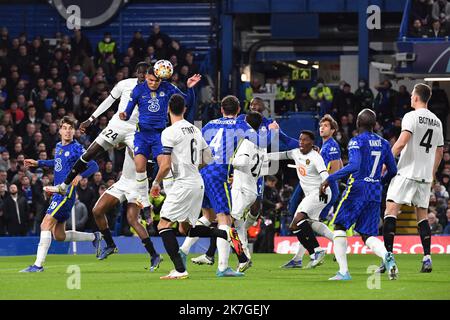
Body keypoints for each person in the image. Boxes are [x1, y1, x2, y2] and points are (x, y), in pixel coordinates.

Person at [150, 94, 243, 279]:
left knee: (163, 225)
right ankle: (224, 235)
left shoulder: (169, 132)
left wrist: (155, 182)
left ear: (168, 109)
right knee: (185, 228)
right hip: (197, 183)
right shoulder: (195, 129)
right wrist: (192, 167)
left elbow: (166, 165)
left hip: (183, 184)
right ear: (185, 109)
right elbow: (207, 159)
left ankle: (179, 270)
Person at [178, 95, 271, 277]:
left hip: (200, 172)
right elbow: (262, 142)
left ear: (221, 109)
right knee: (225, 220)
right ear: (238, 111)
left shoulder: (209, 124)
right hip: (218, 174)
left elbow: (195, 146)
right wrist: (272, 131)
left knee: (208, 215)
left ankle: (184, 250)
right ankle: (223, 267)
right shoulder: (240, 124)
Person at [44, 63, 150, 207]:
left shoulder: (154, 90)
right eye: (141, 73)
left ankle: (145, 200)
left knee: (142, 162)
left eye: (146, 73)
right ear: (136, 72)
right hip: (117, 126)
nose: (143, 76)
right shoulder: (124, 84)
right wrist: (91, 119)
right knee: (88, 154)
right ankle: (63, 186)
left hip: (134, 131)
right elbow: (108, 102)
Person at [320, 109, 397, 281]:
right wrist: (379, 182)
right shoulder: (384, 143)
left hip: (357, 189)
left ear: (357, 123)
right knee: (367, 234)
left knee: (339, 226)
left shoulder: (356, 141)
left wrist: (330, 178)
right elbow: (393, 170)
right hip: (374, 192)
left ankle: (343, 272)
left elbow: (354, 166)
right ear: (374, 124)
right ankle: (387, 256)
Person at [20, 116, 100, 273]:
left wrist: (80, 176)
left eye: (71, 128)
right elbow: (57, 163)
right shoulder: (59, 146)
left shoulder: (77, 148)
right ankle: (94, 237)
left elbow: (94, 165)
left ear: (74, 131)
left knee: (45, 223)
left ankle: (38, 265)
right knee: (59, 235)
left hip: (66, 193)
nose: (68, 131)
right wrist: (39, 162)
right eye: (65, 128)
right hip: (58, 192)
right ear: (60, 130)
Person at [119, 65, 201, 214]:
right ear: (146, 78)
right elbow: (128, 111)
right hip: (142, 135)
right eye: (151, 80)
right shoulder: (138, 90)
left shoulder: (168, 87)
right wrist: (124, 115)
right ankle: (144, 202)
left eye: (156, 81)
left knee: (165, 167)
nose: (153, 84)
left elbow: (187, 102)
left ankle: (171, 199)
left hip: (160, 135)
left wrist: (190, 88)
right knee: (139, 167)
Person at [382, 83, 444, 277]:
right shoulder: (437, 121)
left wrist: (385, 162)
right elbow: (440, 151)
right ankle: (427, 257)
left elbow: (401, 142)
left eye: (411, 95)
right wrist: (432, 173)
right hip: (425, 176)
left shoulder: (411, 116)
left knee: (391, 211)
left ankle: (388, 257)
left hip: (406, 172)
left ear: (416, 97)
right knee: (422, 217)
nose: (410, 98)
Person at [282, 114, 343, 268]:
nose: (322, 128)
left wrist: (324, 185)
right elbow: (340, 165)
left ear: (333, 130)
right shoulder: (324, 147)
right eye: (321, 125)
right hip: (320, 189)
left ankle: (337, 245)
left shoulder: (332, 146)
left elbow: (336, 169)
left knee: (305, 222)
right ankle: (299, 258)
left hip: (326, 190)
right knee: (308, 222)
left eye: (326, 126)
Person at [268, 130, 333, 268]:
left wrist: (323, 186)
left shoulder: (316, 157)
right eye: (300, 139)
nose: (301, 142)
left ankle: (317, 250)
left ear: (312, 143)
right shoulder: (295, 152)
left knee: (298, 221)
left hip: (320, 193)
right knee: (300, 225)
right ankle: (299, 259)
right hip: (311, 195)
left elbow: (325, 175)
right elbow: (281, 155)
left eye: (305, 140)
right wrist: (263, 156)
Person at [92, 145, 162, 270]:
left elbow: (142, 159)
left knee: (132, 220)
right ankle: (110, 245)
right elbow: (119, 145)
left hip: (138, 184)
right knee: (97, 211)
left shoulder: (150, 142)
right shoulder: (130, 132)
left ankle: (154, 255)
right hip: (123, 181)